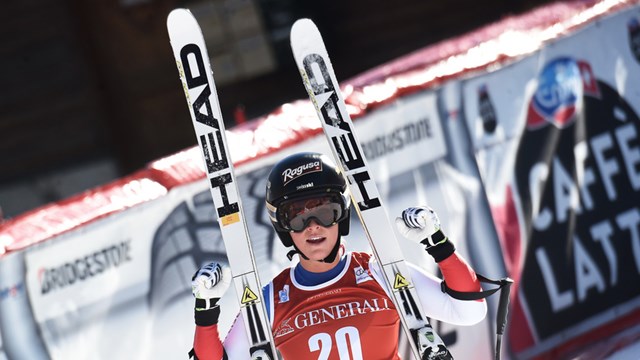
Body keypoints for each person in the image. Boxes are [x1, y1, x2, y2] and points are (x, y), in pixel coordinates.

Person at [190, 152, 487, 359]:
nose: (313, 227)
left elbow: (469, 310)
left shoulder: (380, 272)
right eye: (297, 217)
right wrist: (205, 309)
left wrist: (438, 243)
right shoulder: (270, 300)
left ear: (341, 215)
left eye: (323, 212)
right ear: (284, 229)